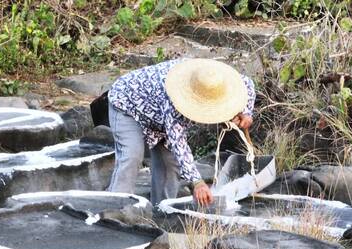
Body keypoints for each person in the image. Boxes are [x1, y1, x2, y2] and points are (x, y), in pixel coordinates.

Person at [107, 58, 255, 205]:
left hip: (156, 109)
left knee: (170, 165)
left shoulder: (217, 79)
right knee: (132, 155)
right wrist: (197, 182)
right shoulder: (177, 100)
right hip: (127, 103)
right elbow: (178, 144)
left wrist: (247, 113)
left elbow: (247, 84)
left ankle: (161, 212)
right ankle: (114, 211)